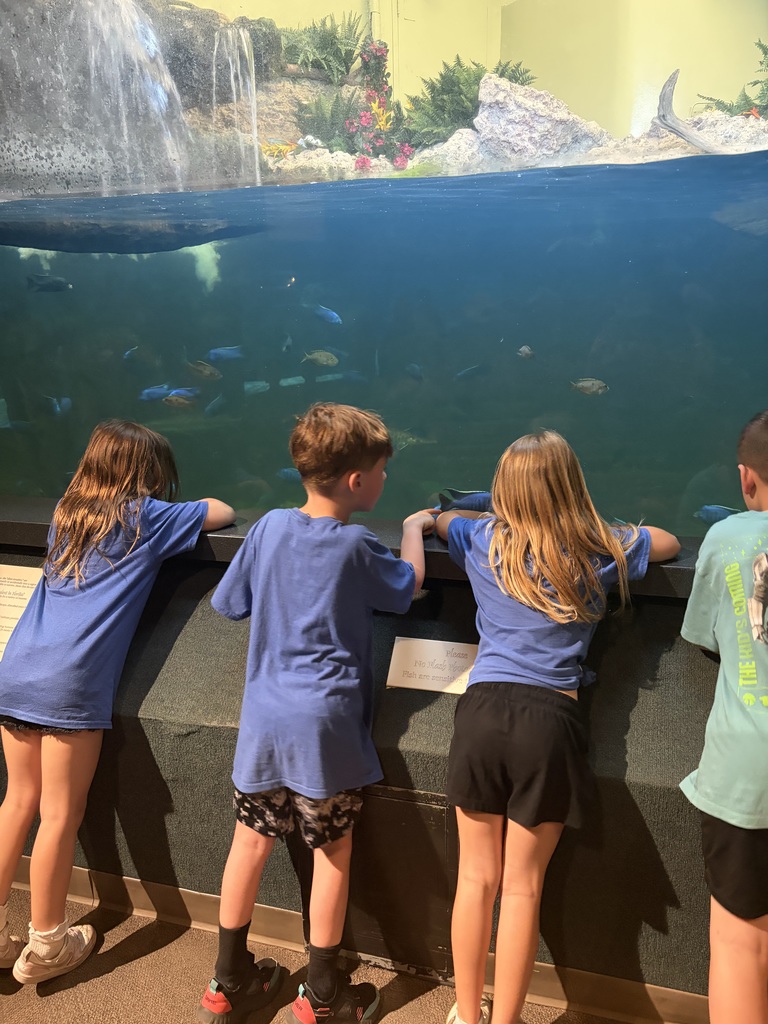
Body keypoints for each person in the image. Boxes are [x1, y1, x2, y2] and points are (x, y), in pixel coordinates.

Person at [197, 402, 435, 1024]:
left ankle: (227, 981)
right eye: (381, 471)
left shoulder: (271, 526)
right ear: (357, 481)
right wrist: (413, 528)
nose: (384, 480)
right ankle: (324, 994)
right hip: (324, 730)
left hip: (264, 723)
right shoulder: (357, 544)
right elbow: (406, 587)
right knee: (332, 850)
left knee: (249, 841)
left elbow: (231, 602)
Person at [432, 430, 680, 1024]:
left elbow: (438, 519)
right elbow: (668, 543)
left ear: (501, 492)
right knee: (520, 888)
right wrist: (603, 528)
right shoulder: (597, 549)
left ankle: (468, 1014)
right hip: (549, 722)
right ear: (572, 488)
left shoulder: (481, 536)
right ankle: (507, 1019)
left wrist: (449, 514)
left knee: (474, 878)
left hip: (482, 711)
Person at [0, 419, 235, 984]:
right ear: (148, 475)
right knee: (60, 812)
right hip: (71, 683)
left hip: (18, 669)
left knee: (16, 801)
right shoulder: (146, 518)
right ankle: (47, 942)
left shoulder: (67, 513)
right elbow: (221, 511)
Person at [680, 409, 768, 1024]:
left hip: (747, 774)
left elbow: (704, 634)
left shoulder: (728, 537)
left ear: (746, 479)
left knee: (741, 942)